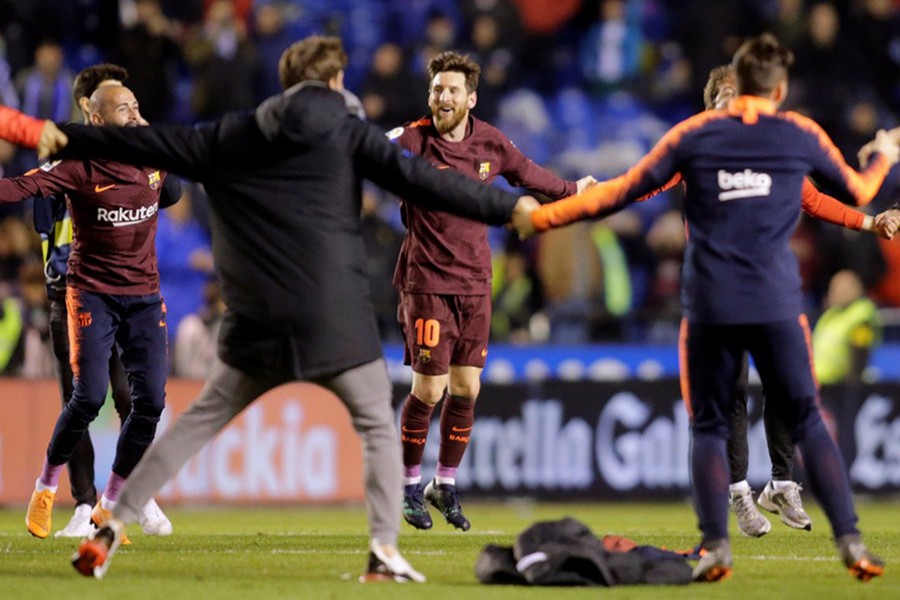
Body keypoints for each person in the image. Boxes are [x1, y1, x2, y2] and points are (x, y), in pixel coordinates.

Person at [20, 36, 538, 581]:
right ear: (335, 82)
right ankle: (384, 552)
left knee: (194, 425)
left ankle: (109, 529)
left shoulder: (234, 135)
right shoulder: (350, 138)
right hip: (335, 323)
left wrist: (61, 134)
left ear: (287, 83)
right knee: (378, 429)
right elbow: (431, 183)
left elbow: (152, 144)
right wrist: (512, 207)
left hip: (254, 325)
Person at [517, 33, 898, 582]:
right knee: (809, 417)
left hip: (711, 303)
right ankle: (853, 542)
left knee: (709, 427)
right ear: (780, 87)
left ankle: (716, 545)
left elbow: (619, 192)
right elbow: (861, 187)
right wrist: (883, 154)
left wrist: (545, 216)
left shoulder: (694, 135)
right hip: (774, 299)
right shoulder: (797, 134)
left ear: (734, 85)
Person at [389, 50, 597, 532]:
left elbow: (531, 174)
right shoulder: (413, 139)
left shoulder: (490, 142)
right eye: (437, 89)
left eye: (452, 91)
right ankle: (407, 485)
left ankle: (446, 482)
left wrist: (572, 190)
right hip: (427, 282)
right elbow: (364, 149)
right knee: (430, 386)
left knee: (467, 386)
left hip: (476, 282)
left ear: (471, 98)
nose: (442, 97)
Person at [699, 64, 899, 539]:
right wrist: (579, 197)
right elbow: (643, 183)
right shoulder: (694, 153)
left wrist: (871, 223)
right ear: (711, 108)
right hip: (717, 293)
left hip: (769, 287)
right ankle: (740, 495)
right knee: (730, 398)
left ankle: (781, 484)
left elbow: (815, 200)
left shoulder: (770, 154)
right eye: (727, 97)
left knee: (788, 384)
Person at [0, 84, 177, 544]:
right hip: (91, 294)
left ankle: (111, 503)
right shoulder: (78, 162)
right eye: (124, 109)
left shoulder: (155, 153)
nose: (136, 115)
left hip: (144, 296)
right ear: (98, 120)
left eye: (138, 106)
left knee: (151, 404)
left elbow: (175, 187)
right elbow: (22, 187)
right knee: (89, 397)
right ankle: (45, 487)